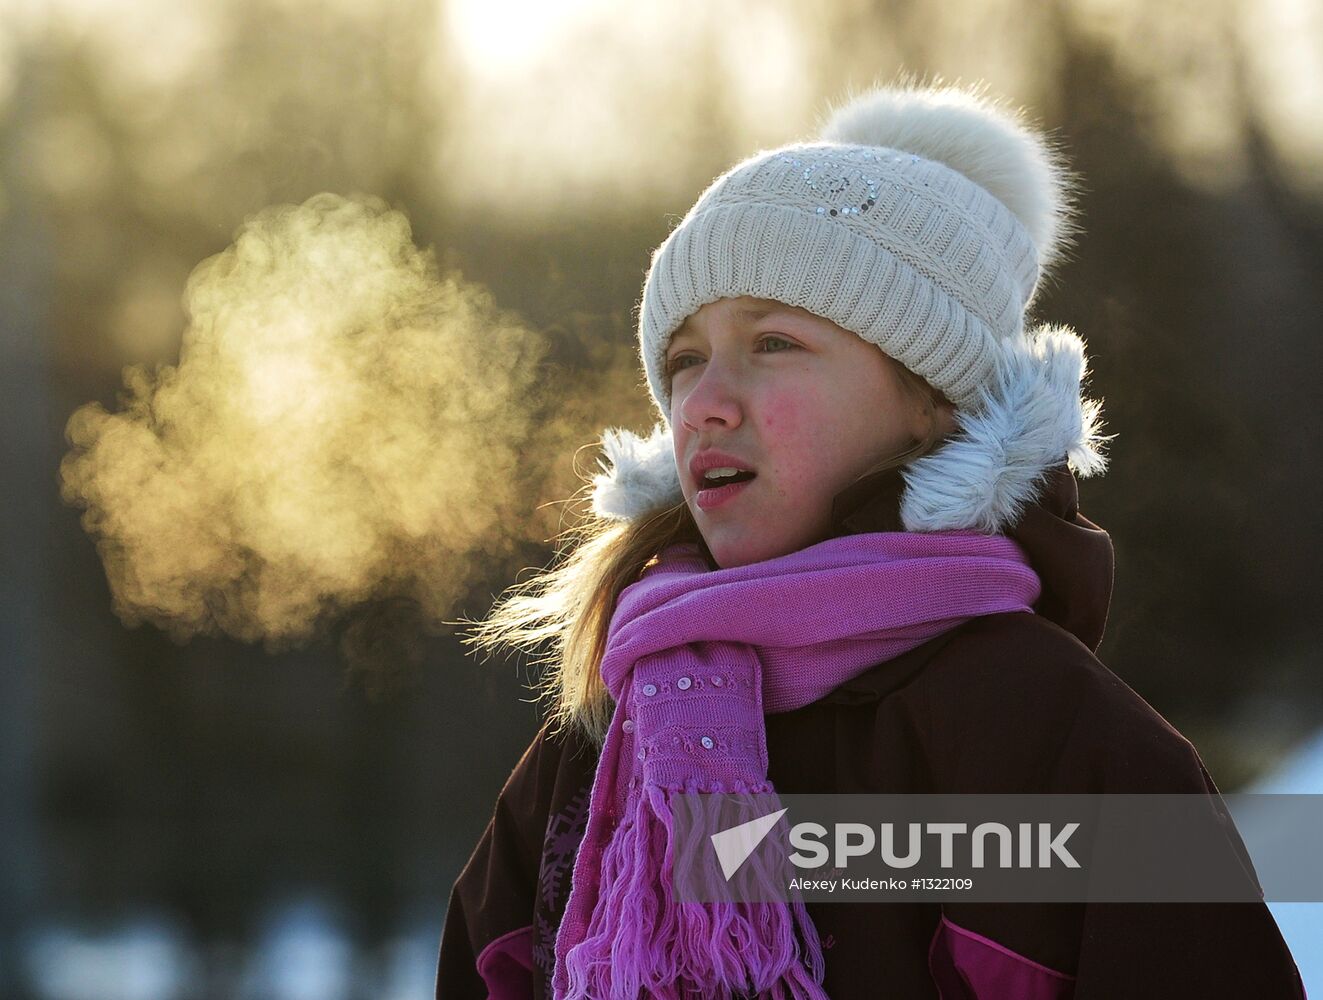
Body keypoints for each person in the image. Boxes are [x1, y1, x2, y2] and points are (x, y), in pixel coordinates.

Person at [435, 82, 1305, 999]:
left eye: (773, 343)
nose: (703, 404)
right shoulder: (607, 740)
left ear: (930, 401)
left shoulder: (1053, 743)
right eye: (684, 360)